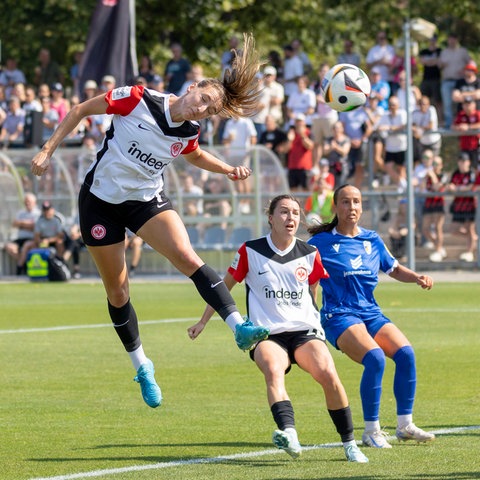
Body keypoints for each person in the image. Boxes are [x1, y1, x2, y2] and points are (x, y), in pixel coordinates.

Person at [31, 33, 270, 409]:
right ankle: (142, 365)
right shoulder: (137, 98)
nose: (201, 110)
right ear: (192, 87)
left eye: (209, 111)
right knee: (118, 291)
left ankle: (239, 328)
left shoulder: (190, 131)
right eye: (203, 100)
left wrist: (226, 169)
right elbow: (79, 110)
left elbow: (193, 155)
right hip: (101, 203)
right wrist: (47, 149)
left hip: (145, 202)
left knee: (188, 258)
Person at [188, 194, 369, 463]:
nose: (291, 218)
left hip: (304, 331)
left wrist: (316, 320)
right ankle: (289, 433)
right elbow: (223, 290)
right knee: (273, 369)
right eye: (284, 212)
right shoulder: (250, 250)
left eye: (295, 213)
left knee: (328, 373)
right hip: (267, 334)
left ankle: (350, 443)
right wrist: (204, 320)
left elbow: (312, 291)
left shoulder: (310, 253)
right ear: (270, 218)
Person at [308, 184, 435, 449]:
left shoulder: (372, 239)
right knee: (376, 358)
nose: (351, 207)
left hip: (370, 312)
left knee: (406, 354)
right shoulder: (320, 243)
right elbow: (305, 277)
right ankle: (371, 431)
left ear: (362, 206)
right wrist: (309, 309)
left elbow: (394, 268)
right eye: (345, 202)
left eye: (356, 201)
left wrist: (417, 278)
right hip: (338, 315)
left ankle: (405, 425)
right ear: (335, 206)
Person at [446, 153, 478, 263]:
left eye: (464, 161)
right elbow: (450, 186)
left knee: (470, 228)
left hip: (469, 205)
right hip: (458, 206)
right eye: (460, 161)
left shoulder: (472, 173)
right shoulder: (455, 173)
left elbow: (472, 186)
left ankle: (469, 252)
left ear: (468, 162)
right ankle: (473, 238)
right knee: (453, 230)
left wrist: (458, 189)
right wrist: (455, 188)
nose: (462, 163)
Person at [438, 33, 470, 129]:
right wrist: (442, 64)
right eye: (450, 39)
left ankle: (463, 122)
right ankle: (449, 124)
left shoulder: (463, 51)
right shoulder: (444, 52)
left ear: (457, 40)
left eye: (454, 39)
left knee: (462, 103)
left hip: (460, 81)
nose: (452, 41)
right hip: (447, 81)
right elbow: (439, 66)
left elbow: (470, 63)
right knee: (447, 104)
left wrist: (464, 70)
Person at [5, 192, 40, 275]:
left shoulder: (38, 213)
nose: (27, 203)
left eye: (29, 201)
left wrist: (21, 224)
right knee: (9, 247)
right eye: (26, 201)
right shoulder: (21, 213)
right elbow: (14, 224)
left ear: (34, 202)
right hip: (20, 239)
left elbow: (34, 226)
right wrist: (26, 224)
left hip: (31, 239)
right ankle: (24, 265)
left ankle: (19, 268)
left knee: (26, 246)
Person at [451, 97, 480, 170]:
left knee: (476, 167)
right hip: (464, 147)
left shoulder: (477, 114)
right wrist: (459, 127)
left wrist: (469, 127)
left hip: (476, 147)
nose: (467, 106)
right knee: (464, 168)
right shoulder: (461, 114)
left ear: (474, 105)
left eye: (469, 104)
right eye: (465, 104)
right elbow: (453, 126)